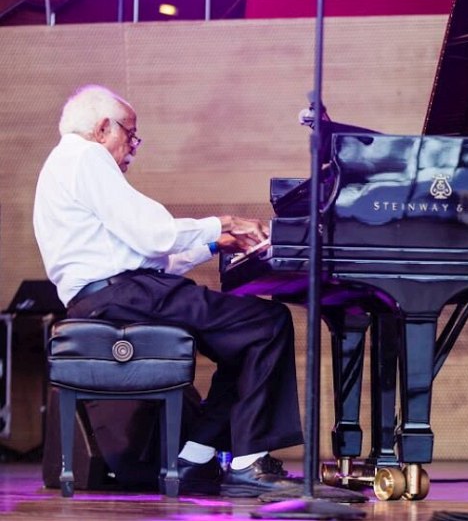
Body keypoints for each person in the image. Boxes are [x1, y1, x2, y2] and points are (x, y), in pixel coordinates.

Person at [33, 84, 305, 497]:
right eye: (131, 133)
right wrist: (226, 223)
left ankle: (194, 458)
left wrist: (216, 243)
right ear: (103, 127)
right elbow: (154, 236)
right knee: (267, 323)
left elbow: (150, 256)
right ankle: (249, 463)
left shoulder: (64, 166)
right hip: (124, 295)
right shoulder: (85, 156)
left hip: (113, 295)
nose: (134, 146)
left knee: (243, 338)